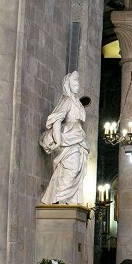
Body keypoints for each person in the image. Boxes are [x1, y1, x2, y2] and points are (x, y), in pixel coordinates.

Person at [39, 71, 89, 204]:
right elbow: (56, 119)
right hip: (69, 137)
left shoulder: (77, 102)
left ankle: (66, 199)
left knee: (78, 168)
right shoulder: (66, 101)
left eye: (78, 82)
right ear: (68, 84)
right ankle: (60, 198)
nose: (77, 85)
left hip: (78, 138)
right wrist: (59, 140)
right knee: (71, 168)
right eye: (74, 82)